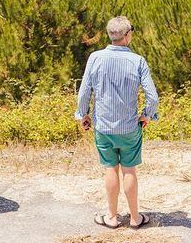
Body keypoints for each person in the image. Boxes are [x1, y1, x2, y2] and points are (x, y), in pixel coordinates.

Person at [75, 16, 159, 229]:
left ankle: (112, 217)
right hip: (130, 127)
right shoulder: (138, 61)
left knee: (110, 169)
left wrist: (82, 115)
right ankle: (134, 218)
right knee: (129, 170)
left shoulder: (95, 58)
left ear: (110, 34)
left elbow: (84, 91)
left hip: (103, 127)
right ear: (128, 34)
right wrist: (147, 115)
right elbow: (153, 98)